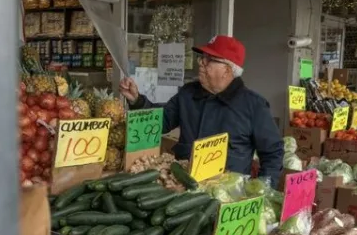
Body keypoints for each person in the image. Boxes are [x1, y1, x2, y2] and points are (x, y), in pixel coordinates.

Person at [119, 35, 284, 186]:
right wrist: (137, 100)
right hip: (183, 187)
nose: (201, 63)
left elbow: (272, 153)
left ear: (227, 69)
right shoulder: (188, 94)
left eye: (209, 59)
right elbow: (162, 121)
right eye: (201, 58)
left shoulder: (254, 105)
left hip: (226, 192)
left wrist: (263, 189)